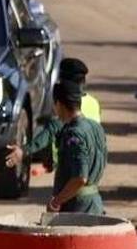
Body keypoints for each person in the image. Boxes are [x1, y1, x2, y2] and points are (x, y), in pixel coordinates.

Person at [7, 58, 101, 173]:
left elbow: (49, 133)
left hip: (72, 170)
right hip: (92, 168)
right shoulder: (94, 102)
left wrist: (23, 150)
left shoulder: (66, 105)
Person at [45, 81, 107, 214]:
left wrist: (56, 202)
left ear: (59, 104)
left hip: (77, 208)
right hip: (94, 203)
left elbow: (80, 178)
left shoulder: (74, 133)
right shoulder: (95, 127)